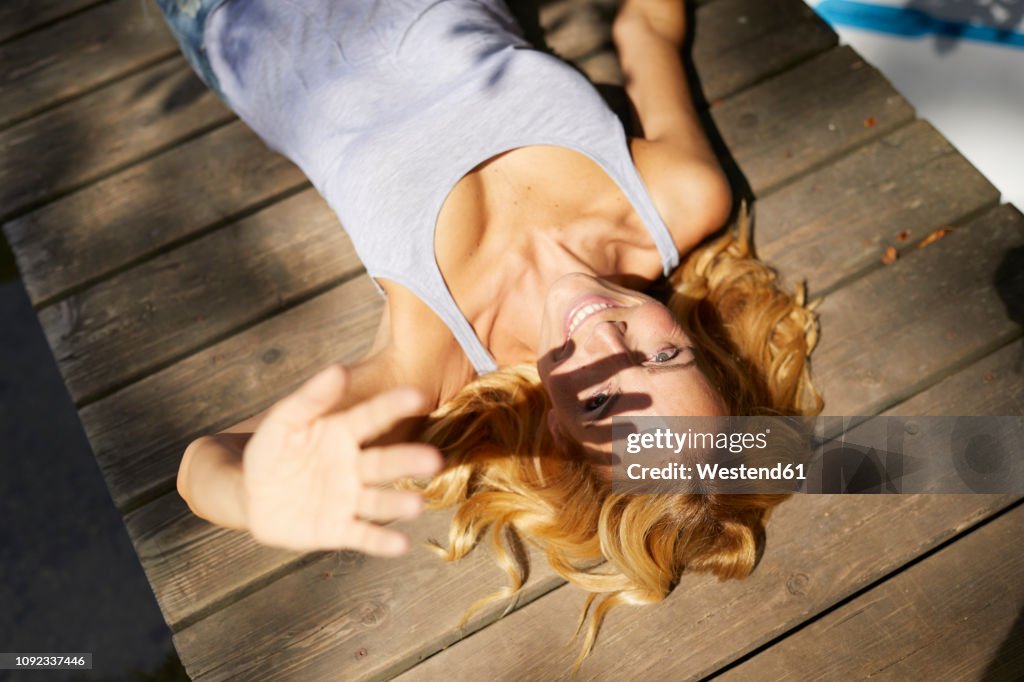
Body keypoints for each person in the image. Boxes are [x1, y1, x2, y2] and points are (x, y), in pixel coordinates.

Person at [160, 0, 821, 665]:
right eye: (665, 355)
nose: (612, 341)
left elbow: (206, 463)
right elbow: (645, 26)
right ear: (698, 347)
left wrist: (250, 496)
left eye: (602, 401)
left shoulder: (435, 358)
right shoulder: (677, 197)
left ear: (559, 434)